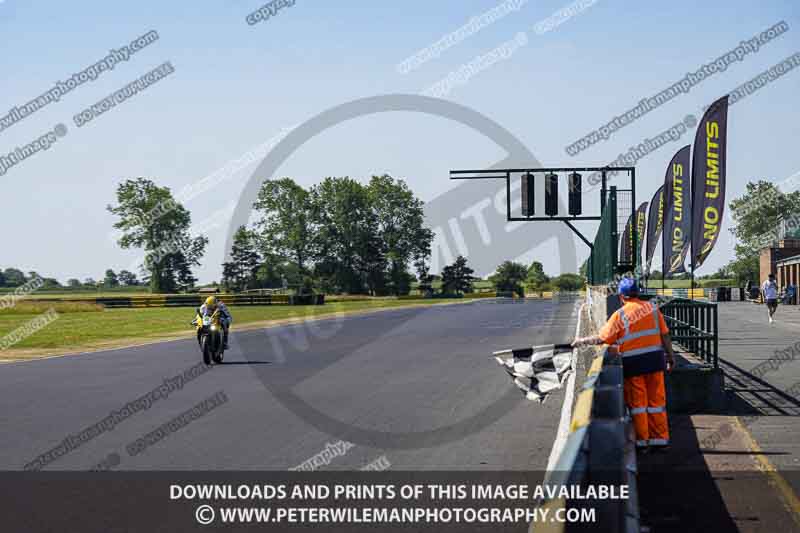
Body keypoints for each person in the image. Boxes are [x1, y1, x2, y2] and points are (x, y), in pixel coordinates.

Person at [572, 277, 676, 452]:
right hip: (655, 362)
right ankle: (660, 440)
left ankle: (643, 442)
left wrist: (581, 341)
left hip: (634, 365)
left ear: (621, 296)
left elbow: (602, 338)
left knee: (638, 405)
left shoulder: (620, 315)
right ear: (638, 293)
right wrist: (670, 357)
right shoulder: (652, 309)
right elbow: (665, 335)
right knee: (657, 402)